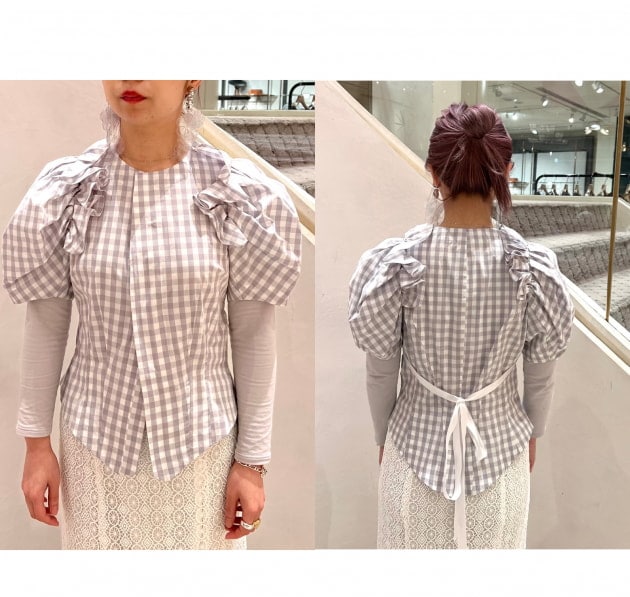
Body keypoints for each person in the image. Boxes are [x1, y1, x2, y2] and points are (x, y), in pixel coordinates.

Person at [2, 80, 302, 549]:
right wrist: (36, 446)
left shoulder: (234, 193)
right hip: (94, 445)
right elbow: (45, 324)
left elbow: (253, 335)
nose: (131, 76)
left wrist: (252, 463)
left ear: (192, 76)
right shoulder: (69, 190)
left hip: (202, 447)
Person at [348, 103, 574, 549]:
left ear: (433, 173)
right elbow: (541, 378)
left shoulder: (397, 265)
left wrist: (382, 437)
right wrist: (533, 433)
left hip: (412, 457)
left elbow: (380, 373)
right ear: (506, 172)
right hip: (502, 461)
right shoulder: (533, 270)